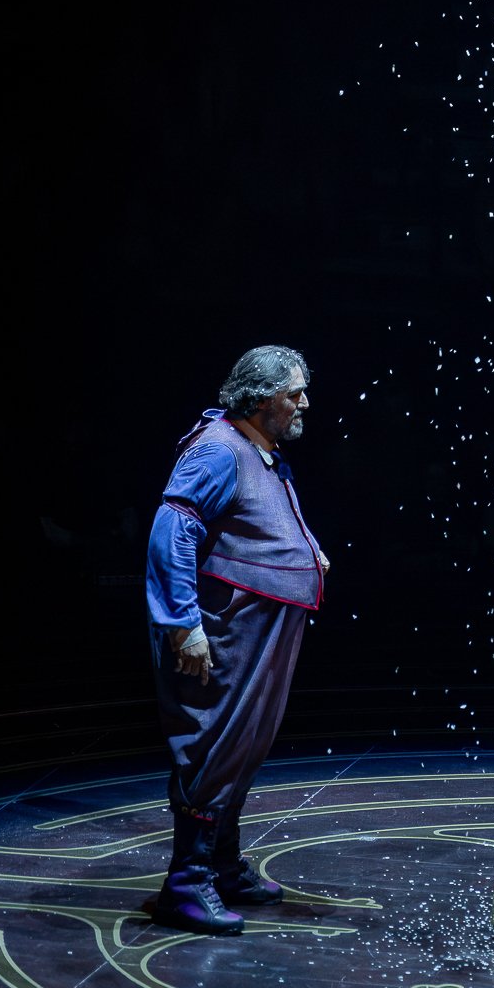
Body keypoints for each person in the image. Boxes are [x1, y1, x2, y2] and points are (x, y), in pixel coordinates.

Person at [145, 346, 329, 934]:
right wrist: (183, 623)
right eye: (293, 393)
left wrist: (308, 555)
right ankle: (186, 883)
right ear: (259, 399)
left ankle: (222, 866)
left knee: (243, 747)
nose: (304, 403)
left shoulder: (257, 450)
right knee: (214, 747)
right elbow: (173, 529)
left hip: (260, 628)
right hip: (224, 632)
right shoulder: (220, 449)